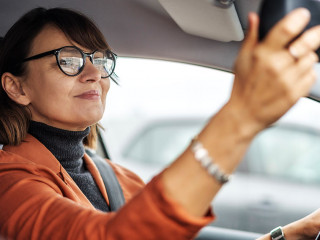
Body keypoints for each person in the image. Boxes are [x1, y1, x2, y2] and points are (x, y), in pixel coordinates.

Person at [0, 6, 319, 240]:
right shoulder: (9, 183)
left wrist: (290, 234)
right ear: (17, 87)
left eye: (99, 60)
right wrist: (243, 116)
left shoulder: (118, 177)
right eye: (68, 60)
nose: (94, 73)